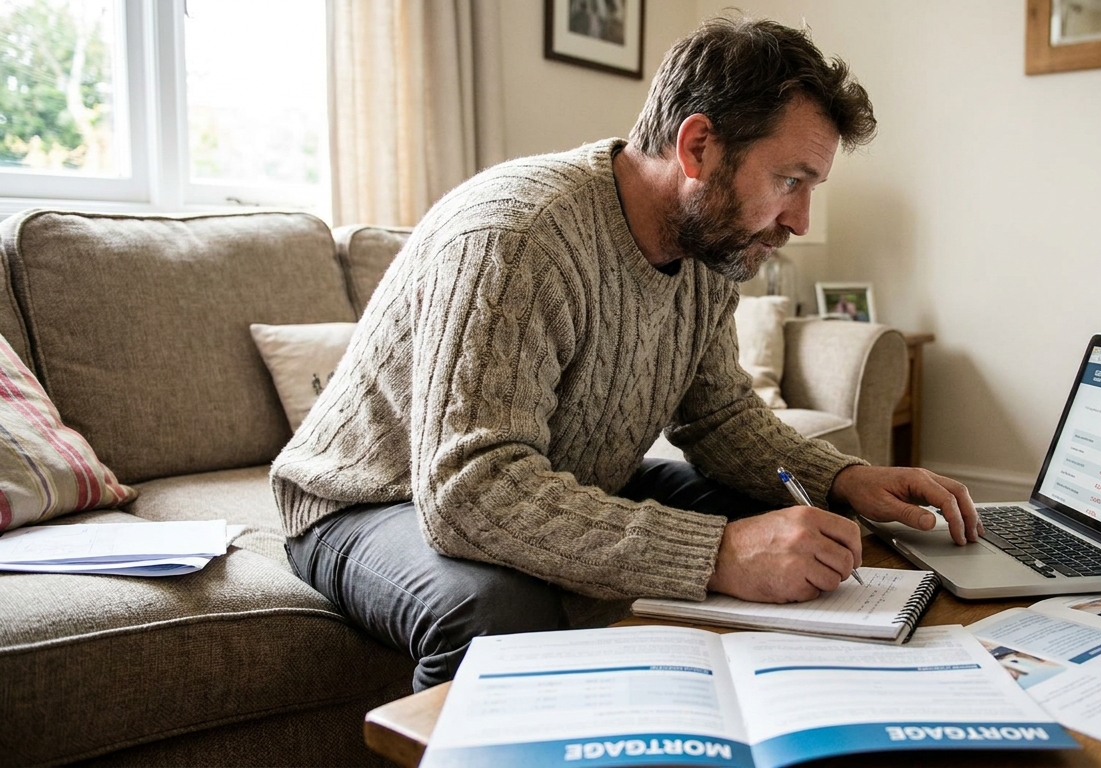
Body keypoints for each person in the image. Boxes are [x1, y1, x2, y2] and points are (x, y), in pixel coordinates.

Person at [271, 16, 982, 692]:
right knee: (497, 608)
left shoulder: (710, 251)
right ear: (698, 146)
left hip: (549, 466)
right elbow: (469, 489)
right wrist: (718, 555)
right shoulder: (519, 236)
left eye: (810, 189)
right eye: (789, 181)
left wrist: (847, 479)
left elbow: (722, 418)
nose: (798, 219)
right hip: (370, 499)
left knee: (796, 522)